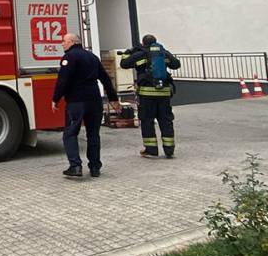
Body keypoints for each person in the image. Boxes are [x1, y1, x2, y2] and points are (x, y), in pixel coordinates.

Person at [52, 33, 120, 178]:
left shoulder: (69, 57)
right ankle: (95, 167)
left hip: (77, 102)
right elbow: (105, 79)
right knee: (93, 134)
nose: (62, 44)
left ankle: (75, 166)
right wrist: (113, 98)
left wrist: (55, 99)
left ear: (72, 42)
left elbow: (63, 80)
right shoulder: (92, 57)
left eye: (64, 41)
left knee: (70, 133)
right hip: (95, 101)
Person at [120, 34, 181, 159]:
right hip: (164, 93)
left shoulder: (140, 54)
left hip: (147, 94)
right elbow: (176, 64)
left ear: (143, 43)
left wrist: (128, 52)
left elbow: (124, 64)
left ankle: (151, 150)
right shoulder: (163, 53)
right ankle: (169, 150)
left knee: (147, 121)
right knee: (166, 120)